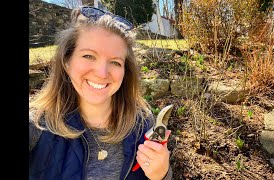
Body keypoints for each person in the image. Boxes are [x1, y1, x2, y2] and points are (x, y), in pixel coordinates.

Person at [29, 6, 172, 180]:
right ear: (67, 62)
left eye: (115, 62)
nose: (102, 73)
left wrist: (162, 175)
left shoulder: (143, 123)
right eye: (88, 56)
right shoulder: (36, 125)